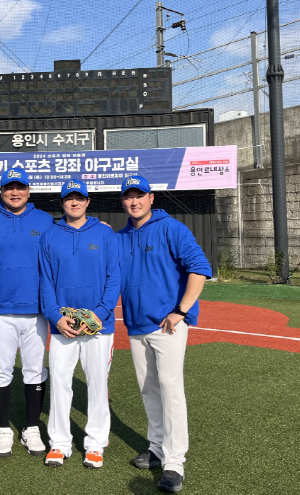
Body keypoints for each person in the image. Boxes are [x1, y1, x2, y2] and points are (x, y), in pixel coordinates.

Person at [116, 176, 212, 494]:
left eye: (139, 195)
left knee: (171, 391)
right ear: (123, 201)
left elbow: (199, 267)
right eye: (128, 197)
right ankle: (157, 448)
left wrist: (181, 311)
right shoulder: (121, 236)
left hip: (167, 325)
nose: (134, 201)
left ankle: (174, 463)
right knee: (148, 390)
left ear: (151, 198)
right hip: (136, 325)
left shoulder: (171, 228)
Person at [38, 179, 120, 469]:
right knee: (60, 383)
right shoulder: (49, 236)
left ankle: (95, 444)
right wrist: (54, 316)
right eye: (69, 199)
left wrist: (100, 313)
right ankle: (59, 443)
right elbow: (45, 281)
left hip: (99, 326)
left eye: (79, 198)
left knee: (97, 384)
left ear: (87, 202)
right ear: (62, 203)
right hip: (63, 326)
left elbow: (114, 277)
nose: (74, 203)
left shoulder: (105, 234)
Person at [0, 169, 54, 457]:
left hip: (36, 311)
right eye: (9, 188)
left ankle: (31, 427)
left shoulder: (44, 220)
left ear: (28, 191)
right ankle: (3, 429)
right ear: (1, 192)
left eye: (20, 188)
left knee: (36, 370)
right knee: (0, 370)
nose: (15, 193)